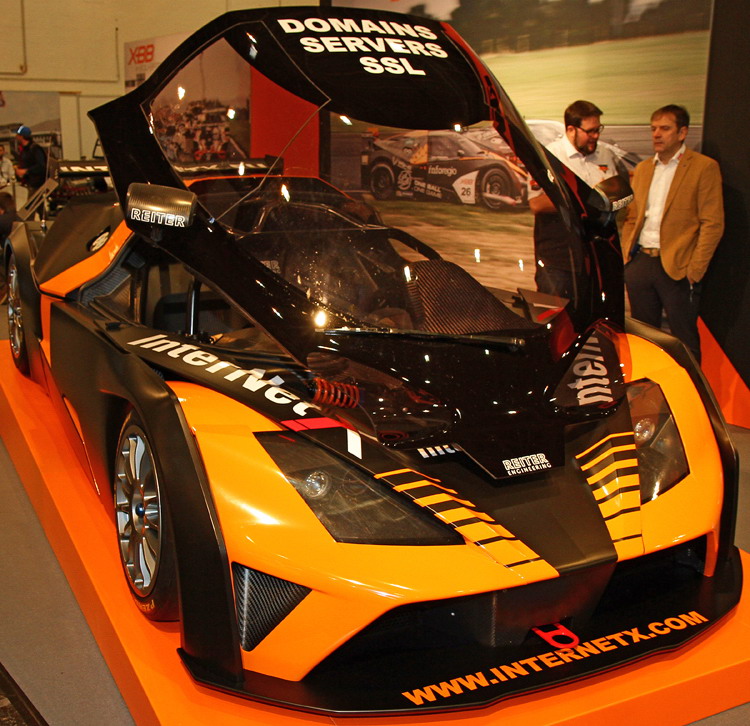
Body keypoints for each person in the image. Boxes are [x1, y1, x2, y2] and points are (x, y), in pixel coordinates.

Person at [621, 105, 724, 362]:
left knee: (684, 342)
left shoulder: (703, 167)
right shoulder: (643, 169)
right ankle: (646, 385)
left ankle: (689, 388)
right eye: (653, 129)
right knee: (643, 339)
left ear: (682, 133)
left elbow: (712, 223)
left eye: (665, 128)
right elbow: (632, 217)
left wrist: (695, 270)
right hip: (641, 263)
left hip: (678, 268)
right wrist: (627, 258)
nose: (657, 134)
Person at [529, 100, 625, 300]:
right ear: (571, 129)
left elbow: (618, 196)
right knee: (557, 313)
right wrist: (587, 199)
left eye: (598, 129)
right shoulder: (548, 157)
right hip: (559, 259)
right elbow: (537, 204)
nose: (596, 136)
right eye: (590, 131)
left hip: (598, 256)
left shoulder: (605, 154)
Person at [14, 125, 48, 195]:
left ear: (21, 136)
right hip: (28, 183)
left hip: (36, 185)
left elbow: (41, 166)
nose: (16, 137)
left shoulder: (35, 149)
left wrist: (26, 171)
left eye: (17, 135)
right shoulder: (24, 149)